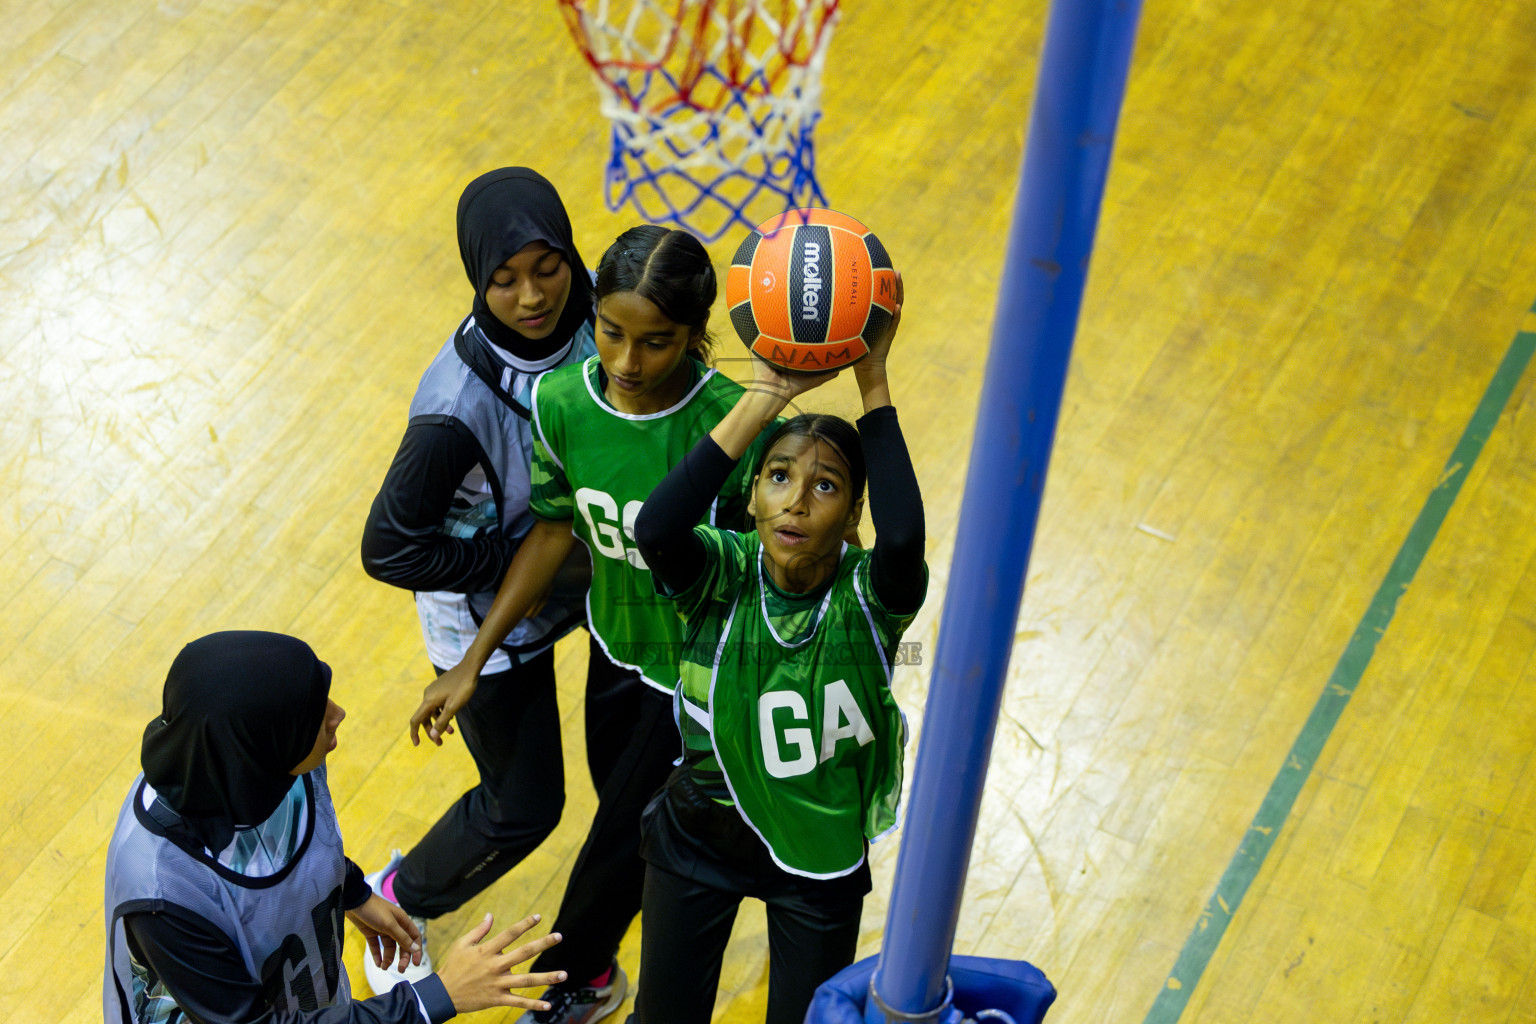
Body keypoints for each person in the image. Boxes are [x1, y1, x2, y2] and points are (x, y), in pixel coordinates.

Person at [412, 224, 773, 1023]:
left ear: (695, 332)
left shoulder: (734, 425)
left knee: (621, 836)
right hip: (614, 654)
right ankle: (615, 958)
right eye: (611, 332)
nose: (627, 362)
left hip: (695, 676)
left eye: (657, 342)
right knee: (632, 816)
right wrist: (474, 658)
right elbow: (550, 530)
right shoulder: (566, 400)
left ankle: (573, 974)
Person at [359, 167, 636, 998]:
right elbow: (388, 548)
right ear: (477, 279)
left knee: (636, 766)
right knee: (524, 807)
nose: (530, 295)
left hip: (595, 572)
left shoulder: (600, 305)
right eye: (503, 278)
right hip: (489, 614)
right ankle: (395, 900)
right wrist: (515, 564)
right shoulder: (452, 412)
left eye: (546, 266)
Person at [625, 276, 924, 1024]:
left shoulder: (870, 595)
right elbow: (656, 530)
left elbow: (909, 539)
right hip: (701, 829)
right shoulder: (720, 570)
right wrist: (767, 395)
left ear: (853, 513)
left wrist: (873, 378)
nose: (796, 499)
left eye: (824, 487)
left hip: (815, 856)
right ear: (752, 493)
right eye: (779, 476)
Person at [103, 630, 567, 1024]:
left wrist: (351, 892)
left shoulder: (259, 768)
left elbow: (285, 844)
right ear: (259, 749)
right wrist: (435, 998)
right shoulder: (164, 894)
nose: (337, 713)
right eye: (312, 715)